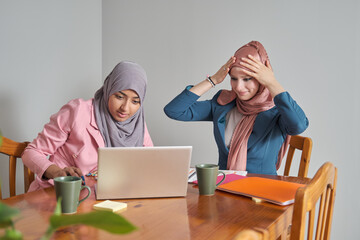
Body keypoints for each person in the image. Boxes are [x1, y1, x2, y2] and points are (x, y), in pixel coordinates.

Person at [164, 41, 308, 175]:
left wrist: (272, 83)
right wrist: (212, 80)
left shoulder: (276, 111)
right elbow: (174, 110)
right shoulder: (223, 104)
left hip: (261, 194)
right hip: (225, 189)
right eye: (233, 78)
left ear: (261, 79)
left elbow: (299, 125)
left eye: (247, 79)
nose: (238, 87)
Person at [23, 61, 153, 191]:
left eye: (135, 101)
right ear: (108, 89)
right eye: (119, 96)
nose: (125, 108)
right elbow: (31, 152)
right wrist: (57, 172)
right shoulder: (77, 111)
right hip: (57, 193)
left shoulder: (137, 125)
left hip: (103, 197)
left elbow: (150, 163)